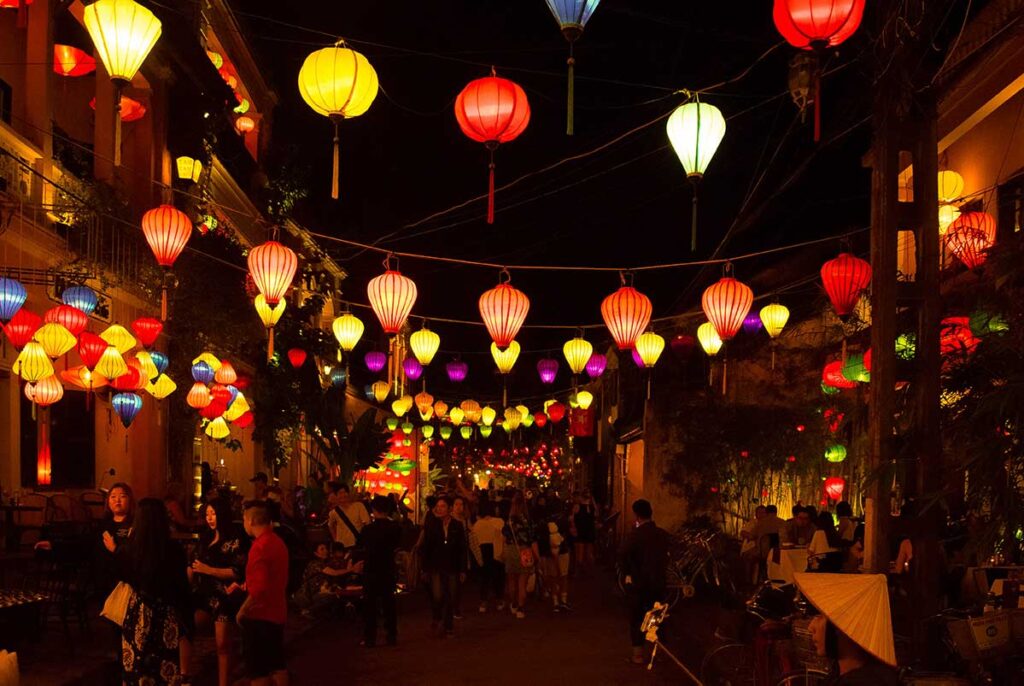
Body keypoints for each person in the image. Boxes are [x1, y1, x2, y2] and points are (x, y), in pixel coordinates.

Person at [118, 498, 191, 686]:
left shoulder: (130, 550)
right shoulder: (174, 550)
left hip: (138, 612)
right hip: (165, 613)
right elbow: (181, 586)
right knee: (164, 668)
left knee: (136, 666)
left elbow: (126, 576)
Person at [184, 499, 248, 686]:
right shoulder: (205, 537)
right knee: (184, 626)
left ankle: (223, 682)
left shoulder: (236, 538)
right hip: (202, 594)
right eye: (207, 514)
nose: (210, 518)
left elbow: (238, 570)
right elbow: (193, 563)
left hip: (224, 596)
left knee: (222, 645)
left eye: (214, 513)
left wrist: (209, 570)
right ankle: (184, 674)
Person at [802, 573, 899, 685]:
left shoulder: (864, 682)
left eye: (820, 616)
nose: (810, 627)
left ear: (842, 626)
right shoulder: (842, 671)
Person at [237, 501, 290, 686]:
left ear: (251, 521)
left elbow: (259, 588)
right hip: (277, 610)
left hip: (260, 614)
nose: (243, 523)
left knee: (258, 670)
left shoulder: (260, 547)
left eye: (244, 519)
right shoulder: (277, 542)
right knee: (277, 664)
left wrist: (243, 609)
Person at [619, 499, 670, 665]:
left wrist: (627, 572)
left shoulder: (635, 535)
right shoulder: (662, 534)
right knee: (655, 617)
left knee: (637, 618)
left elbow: (623, 554)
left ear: (637, 515)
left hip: (639, 583)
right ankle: (656, 652)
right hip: (658, 582)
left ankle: (638, 655)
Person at [419, 497, 466, 637]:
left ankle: (448, 626)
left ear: (449, 508)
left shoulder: (457, 525)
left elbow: (462, 548)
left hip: (452, 566)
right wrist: (424, 568)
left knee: (451, 596)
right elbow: (426, 548)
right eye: (438, 506)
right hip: (436, 566)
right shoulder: (432, 525)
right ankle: (437, 616)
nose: (440, 509)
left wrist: (463, 569)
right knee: (438, 595)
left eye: (443, 506)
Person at [361, 496, 402, 647]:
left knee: (370, 606)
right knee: (389, 603)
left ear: (374, 510)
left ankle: (370, 638)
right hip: (387, 568)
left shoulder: (368, 530)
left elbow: (362, 546)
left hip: (371, 569)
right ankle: (391, 635)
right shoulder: (395, 528)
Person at [502, 492, 536, 619]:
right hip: (525, 550)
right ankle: (521, 608)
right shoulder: (527, 520)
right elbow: (532, 538)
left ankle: (514, 603)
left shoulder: (509, 520)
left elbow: (505, 537)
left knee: (511, 580)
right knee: (522, 582)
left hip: (512, 550)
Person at [470, 500, 505, 613]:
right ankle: (499, 600)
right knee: (497, 577)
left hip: (482, 551)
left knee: (484, 578)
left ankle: (483, 602)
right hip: (496, 551)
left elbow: (474, 539)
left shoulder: (477, 524)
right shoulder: (499, 522)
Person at [328, 483, 371, 551]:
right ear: (336, 495)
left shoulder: (359, 506)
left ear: (348, 493)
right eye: (340, 493)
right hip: (342, 545)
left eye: (345, 492)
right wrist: (336, 540)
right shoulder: (334, 512)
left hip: (357, 543)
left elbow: (367, 523)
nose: (343, 495)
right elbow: (330, 526)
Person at [571, 492, 598, 574]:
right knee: (589, 553)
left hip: (580, 532)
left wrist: (573, 528)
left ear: (581, 498)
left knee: (579, 553)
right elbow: (596, 516)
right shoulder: (592, 507)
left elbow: (572, 519)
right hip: (590, 532)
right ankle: (590, 571)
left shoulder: (577, 506)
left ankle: (578, 571)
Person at [741, 506, 767, 584]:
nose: (762, 515)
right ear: (756, 514)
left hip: (764, 548)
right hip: (752, 547)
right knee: (748, 557)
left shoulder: (768, 524)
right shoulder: (752, 523)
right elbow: (743, 532)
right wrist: (752, 536)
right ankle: (748, 582)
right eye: (760, 513)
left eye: (763, 513)